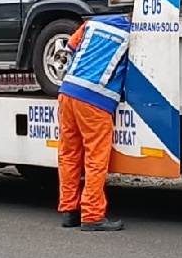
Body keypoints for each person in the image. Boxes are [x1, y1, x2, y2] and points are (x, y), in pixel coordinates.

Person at [56, 13, 132, 231]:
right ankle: (91, 215)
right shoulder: (131, 35)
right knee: (95, 159)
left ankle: (69, 211)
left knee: (69, 155)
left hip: (67, 92)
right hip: (95, 100)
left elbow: (69, 48)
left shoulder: (92, 23)